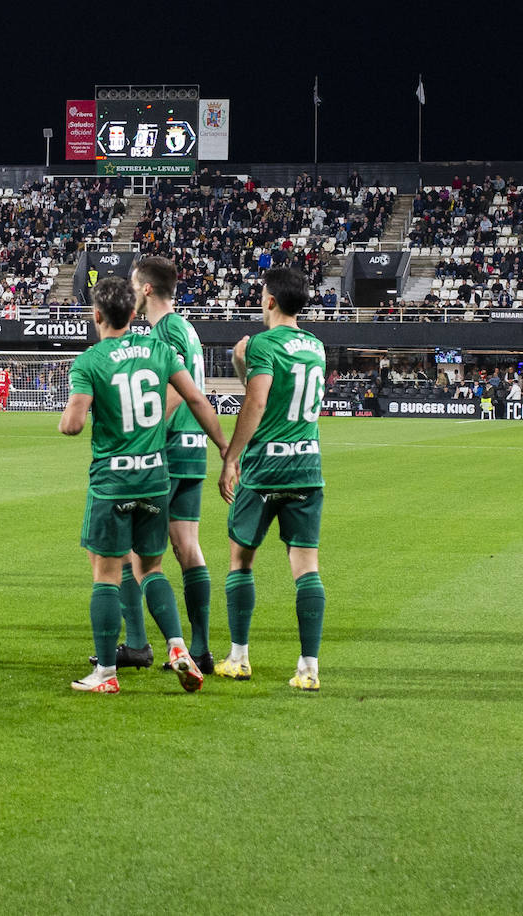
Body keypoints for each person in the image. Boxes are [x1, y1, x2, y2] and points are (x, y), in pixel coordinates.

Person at [60, 275, 226, 694]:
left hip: (113, 482)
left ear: (96, 315)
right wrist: (226, 447)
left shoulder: (91, 361)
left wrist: (76, 410)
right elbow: (197, 399)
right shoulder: (159, 350)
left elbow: (73, 425)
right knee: (152, 567)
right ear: (134, 314)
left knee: (105, 572)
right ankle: (177, 647)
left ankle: (106, 675)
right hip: (155, 478)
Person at [108, 255, 229, 675]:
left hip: (170, 451)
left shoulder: (168, 330)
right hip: (192, 450)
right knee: (187, 547)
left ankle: (139, 644)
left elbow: (179, 390)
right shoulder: (187, 329)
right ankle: (200, 649)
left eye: (132, 282)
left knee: (134, 554)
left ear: (145, 289)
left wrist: (146, 431)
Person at [216, 267, 328, 692]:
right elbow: (280, 395)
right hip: (307, 467)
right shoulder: (316, 347)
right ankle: (308, 669)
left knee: (241, 560)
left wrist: (231, 458)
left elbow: (259, 400)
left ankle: (239, 657)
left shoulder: (264, 343)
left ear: (270, 301)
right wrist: (246, 368)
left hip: (265, 468)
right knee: (306, 568)